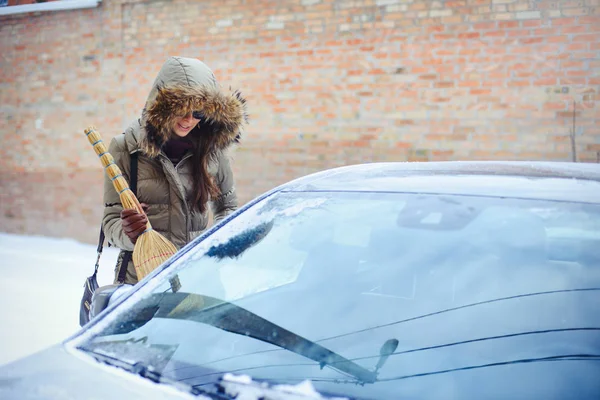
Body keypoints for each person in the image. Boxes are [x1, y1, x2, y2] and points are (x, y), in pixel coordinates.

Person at [102, 56, 248, 285]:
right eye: (182, 109)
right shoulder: (125, 148)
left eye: (198, 113)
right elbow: (109, 222)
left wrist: (216, 244)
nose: (189, 120)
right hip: (141, 282)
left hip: (198, 278)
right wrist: (129, 232)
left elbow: (227, 206)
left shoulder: (212, 150)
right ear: (163, 107)